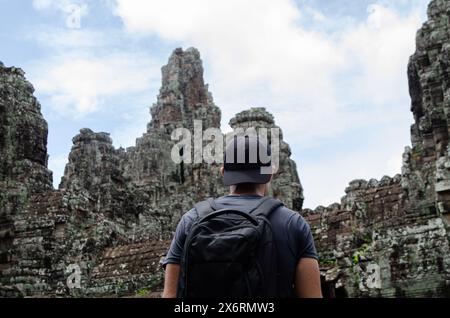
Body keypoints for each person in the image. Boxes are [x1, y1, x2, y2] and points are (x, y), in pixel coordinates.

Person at [162, 135, 322, 298]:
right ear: (271, 172)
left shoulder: (191, 219)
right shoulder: (293, 224)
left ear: (223, 172)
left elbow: (170, 294)